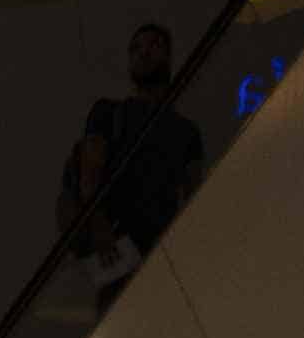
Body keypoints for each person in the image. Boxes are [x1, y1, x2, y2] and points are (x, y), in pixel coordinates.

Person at [56, 20, 200, 293]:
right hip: (117, 247)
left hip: (160, 253)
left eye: (153, 45)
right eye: (136, 48)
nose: (143, 52)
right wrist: (98, 224)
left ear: (168, 56)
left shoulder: (187, 132)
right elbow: (91, 167)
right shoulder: (108, 112)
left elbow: (194, 195)